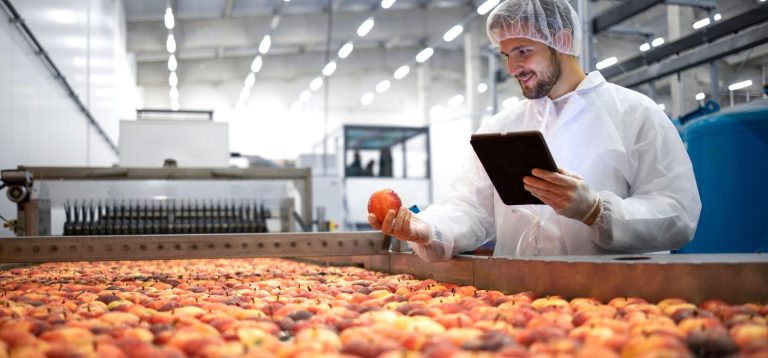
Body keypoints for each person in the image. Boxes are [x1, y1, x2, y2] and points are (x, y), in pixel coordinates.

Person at [368, 0, 701, 261]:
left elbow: (678, 214)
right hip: (521, 302)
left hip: (616, 304)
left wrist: (597, 211)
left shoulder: (634, 115)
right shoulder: (500, 128)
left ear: (563, 41)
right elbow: (470, 209)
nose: (513, 68)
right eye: (506, 54)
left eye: (523, 51)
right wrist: (427, 228)